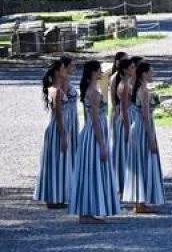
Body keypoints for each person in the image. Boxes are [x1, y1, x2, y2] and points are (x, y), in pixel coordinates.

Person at [68, 61, 119, 223]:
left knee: (88, 171)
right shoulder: (94, 94)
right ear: (93, 73)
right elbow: (96, 120)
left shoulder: (88, 91)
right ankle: (86, 213)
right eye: (99, 71)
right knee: (92, 171)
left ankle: (87, 211)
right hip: (94, 135)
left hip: (89, 134)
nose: (101, 73)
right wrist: (102, 145)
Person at [122, 61, 165, 213]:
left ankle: (140, 201)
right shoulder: (144, 91)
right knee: (143, 161)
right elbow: (146, 116)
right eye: (151, 72)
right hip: (142, 129)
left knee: (140, 162)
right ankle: (139, 203)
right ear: (144, 74)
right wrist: (151, 138)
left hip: (138, 127)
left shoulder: (138, 88)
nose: (153, 74)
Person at [34, 59, 73, 208]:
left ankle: (56, 196)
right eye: (63, 68)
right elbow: (58, 114)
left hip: (55, 127)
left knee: (56, 161)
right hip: (57, 128)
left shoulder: (55, 88)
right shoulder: (56, 91)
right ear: (57, 72)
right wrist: (63, 135)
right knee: (57, 161)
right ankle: (54, 198)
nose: (65, 70)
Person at [111, 55, 135, 195]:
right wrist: (127, 129)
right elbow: (124, 108)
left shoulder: (125, 83)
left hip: (127, 116)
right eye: (131, 67)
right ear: (125, 70)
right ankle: (125, 184)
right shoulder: (124, 85)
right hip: (127, 117)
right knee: (126, 151)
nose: (134, 69)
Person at [59, 56, 79, 155]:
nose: (74, 67)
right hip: (68, 115)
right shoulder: (64, 81)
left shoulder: (67, 79)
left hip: (72, 114)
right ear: (65, 67)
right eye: (72, 65)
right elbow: (63, 101)